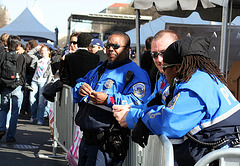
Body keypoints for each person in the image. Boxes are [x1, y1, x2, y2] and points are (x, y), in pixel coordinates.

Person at [127, 37, 240, 166]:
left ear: (177, 68)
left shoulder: (194, 88)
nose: (164, 74)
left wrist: (144, 119)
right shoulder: (205, 78)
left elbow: (170, 123)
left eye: (165, 68)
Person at [73, 31, 151, 166]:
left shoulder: (136, 74)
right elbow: (81, 82)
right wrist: (80, 88)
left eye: (115, 46)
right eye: (108, 46)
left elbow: (138, 102)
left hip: (107, 141)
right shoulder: (101, 67)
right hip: (87, 138)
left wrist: (109, 100)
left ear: (127, 50)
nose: (110, 49)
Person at [112, 30, 179, 129]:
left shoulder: (187, 77)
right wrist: (130, 109)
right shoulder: (161, 78)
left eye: (164, 53)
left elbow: (172, 120)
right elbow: (149, 105)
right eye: (154, 55)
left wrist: (132, 117)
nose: (159, 59)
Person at [0, 35, 26, 142]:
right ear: (18, 45)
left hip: (4, 85)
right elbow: (23, 72)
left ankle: (1, 128)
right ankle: (10, 136)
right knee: (15, 112)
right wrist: (21, 83)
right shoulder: (21, 57)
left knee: (3, 109)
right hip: (16, 86)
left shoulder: (2, 55)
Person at [29, 45, 53, 125]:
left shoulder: (50, 61)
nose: (43, 52)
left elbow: (51, 74)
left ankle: (40, 118)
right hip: (34, 80)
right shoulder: (38, 58)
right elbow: (29, 54)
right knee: (31, 100)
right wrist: (36, 48)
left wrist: (48, 84)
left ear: (48, 52)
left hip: (43, 82)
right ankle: (33, 115)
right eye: (42, 50)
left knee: (41, 102)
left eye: (45, 50)